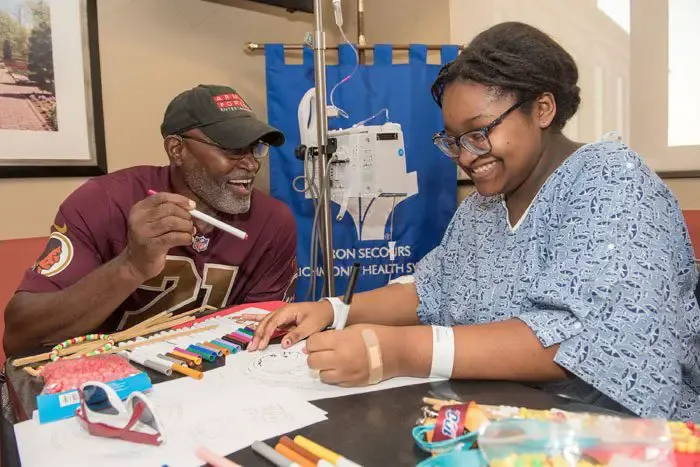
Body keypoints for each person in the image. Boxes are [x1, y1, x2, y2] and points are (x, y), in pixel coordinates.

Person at [246, 23, 700, 421]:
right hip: (501, 414)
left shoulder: (614, 183)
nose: (465, 156)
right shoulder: (483, 208)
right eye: (454, 139)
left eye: (479, 133)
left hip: (612, 431)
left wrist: (404, 352)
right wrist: (336, 311)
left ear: (542, 109)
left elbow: (582, 342)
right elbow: (433, 289)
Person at [4, 84, 298, 355]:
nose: (251, 163)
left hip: (210, 383)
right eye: (233, 149)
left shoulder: (272, 222)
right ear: (177, 149)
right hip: (108, 386)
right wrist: (131, 265)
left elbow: (262, 339)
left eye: (256, 147)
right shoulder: (102, 202)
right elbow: (19, 337)